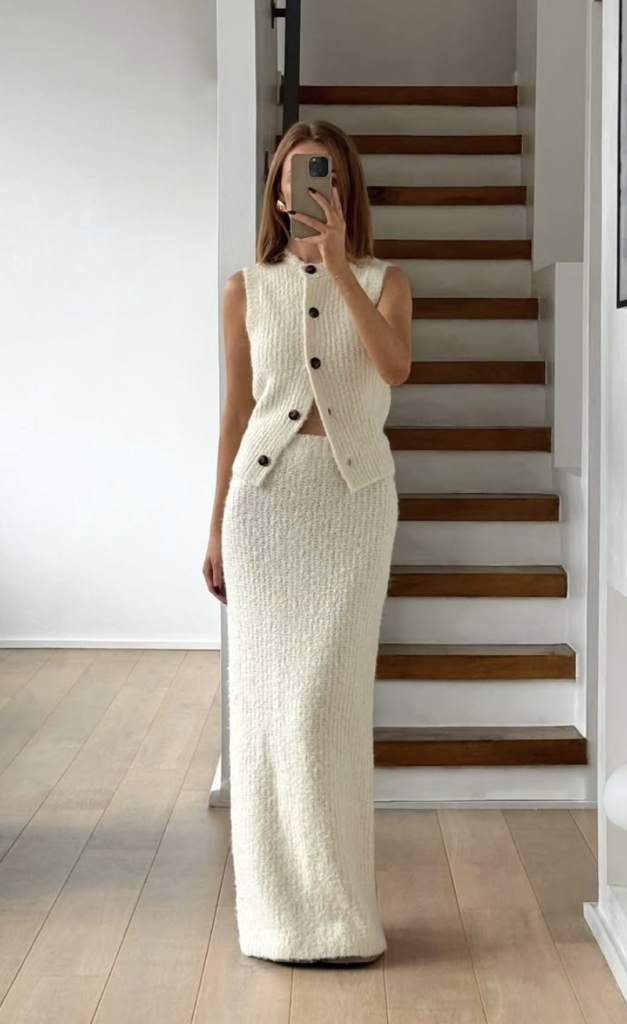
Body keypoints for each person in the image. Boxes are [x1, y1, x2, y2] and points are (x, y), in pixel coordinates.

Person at [203, 119, 413, 967]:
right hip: (265, 509)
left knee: (323, 709)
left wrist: (336, 270)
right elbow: (233, 412)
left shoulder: (385, 280)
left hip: (353, 506)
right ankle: (277, 924)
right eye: (293, 178)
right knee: (263, 719)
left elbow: (393, 367)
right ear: (277, 191)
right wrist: (215, 521)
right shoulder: (243, 289)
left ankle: (340, 919)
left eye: (320, 176)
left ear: (343, 188)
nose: (306, 189)